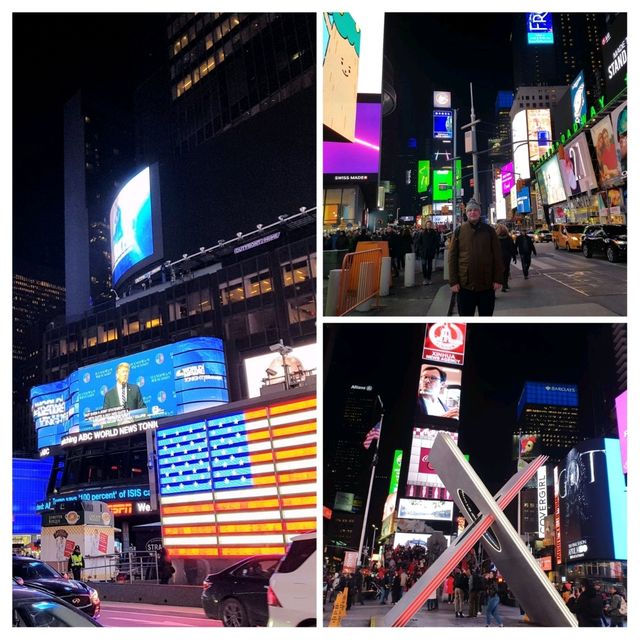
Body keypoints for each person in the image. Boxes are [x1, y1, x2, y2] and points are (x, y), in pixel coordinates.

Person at [448, 198, 503, 316]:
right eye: (470, 210)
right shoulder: (458, 231)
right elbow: (452, 258)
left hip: (486, 285)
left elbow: (497, 256)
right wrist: (453, 282)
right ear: (466, 213)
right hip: (465, 286)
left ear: (479, 212)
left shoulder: (489, 231)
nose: (473, 212)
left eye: (475, 210)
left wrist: (498, 279)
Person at [415, 220, 441, 285]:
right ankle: (425, 278)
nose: (428, 225)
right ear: (425, 225)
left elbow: (436, 242)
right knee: (424, 265)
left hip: (430, 252)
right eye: (427, 224)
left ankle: (429, 278)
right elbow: (418, 242)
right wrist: (420, 249)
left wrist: (435, 250)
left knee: (430, 266)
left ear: (431, 225)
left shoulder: (434, 233)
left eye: (429, 224)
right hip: (423, 252)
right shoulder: (422, 232)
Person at [496, 224, 516, 292]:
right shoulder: (508, 238)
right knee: (506, 270)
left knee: (498, 271)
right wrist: (514, 256)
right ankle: (505, 285)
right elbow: (512, 248)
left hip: (498, 257)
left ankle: (497, 287)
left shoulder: (495, 238)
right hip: (506, 257)